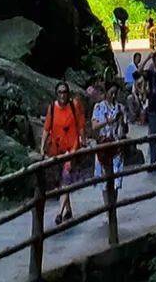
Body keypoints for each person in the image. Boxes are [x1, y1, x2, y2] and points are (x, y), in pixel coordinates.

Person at [41, 82, 86, 228]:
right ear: (56, 94)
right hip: (57, 149)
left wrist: (82, 141)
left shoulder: (74, 106)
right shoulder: (52, 109)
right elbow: (47, 129)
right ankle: (68, 210)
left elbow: (80, 126)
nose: (62, 95)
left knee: (66, 178)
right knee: (61, 181)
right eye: (60, 92)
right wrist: (42, 148)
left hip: (71, 149)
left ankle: (59, 213)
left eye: (65, 92)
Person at [91, 81, 127, 196]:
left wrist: (122, 121)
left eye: (115, 93)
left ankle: (113, 208)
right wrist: (107, 121)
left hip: (116, 145)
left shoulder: (120, 107)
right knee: (104, 180)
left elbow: (125, 129)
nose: (113, 96)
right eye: (111, 93)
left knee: (116, 179)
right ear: (106, 92)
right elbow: (94, 126)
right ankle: (108, 209)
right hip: (103, 144)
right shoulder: (98, 107)